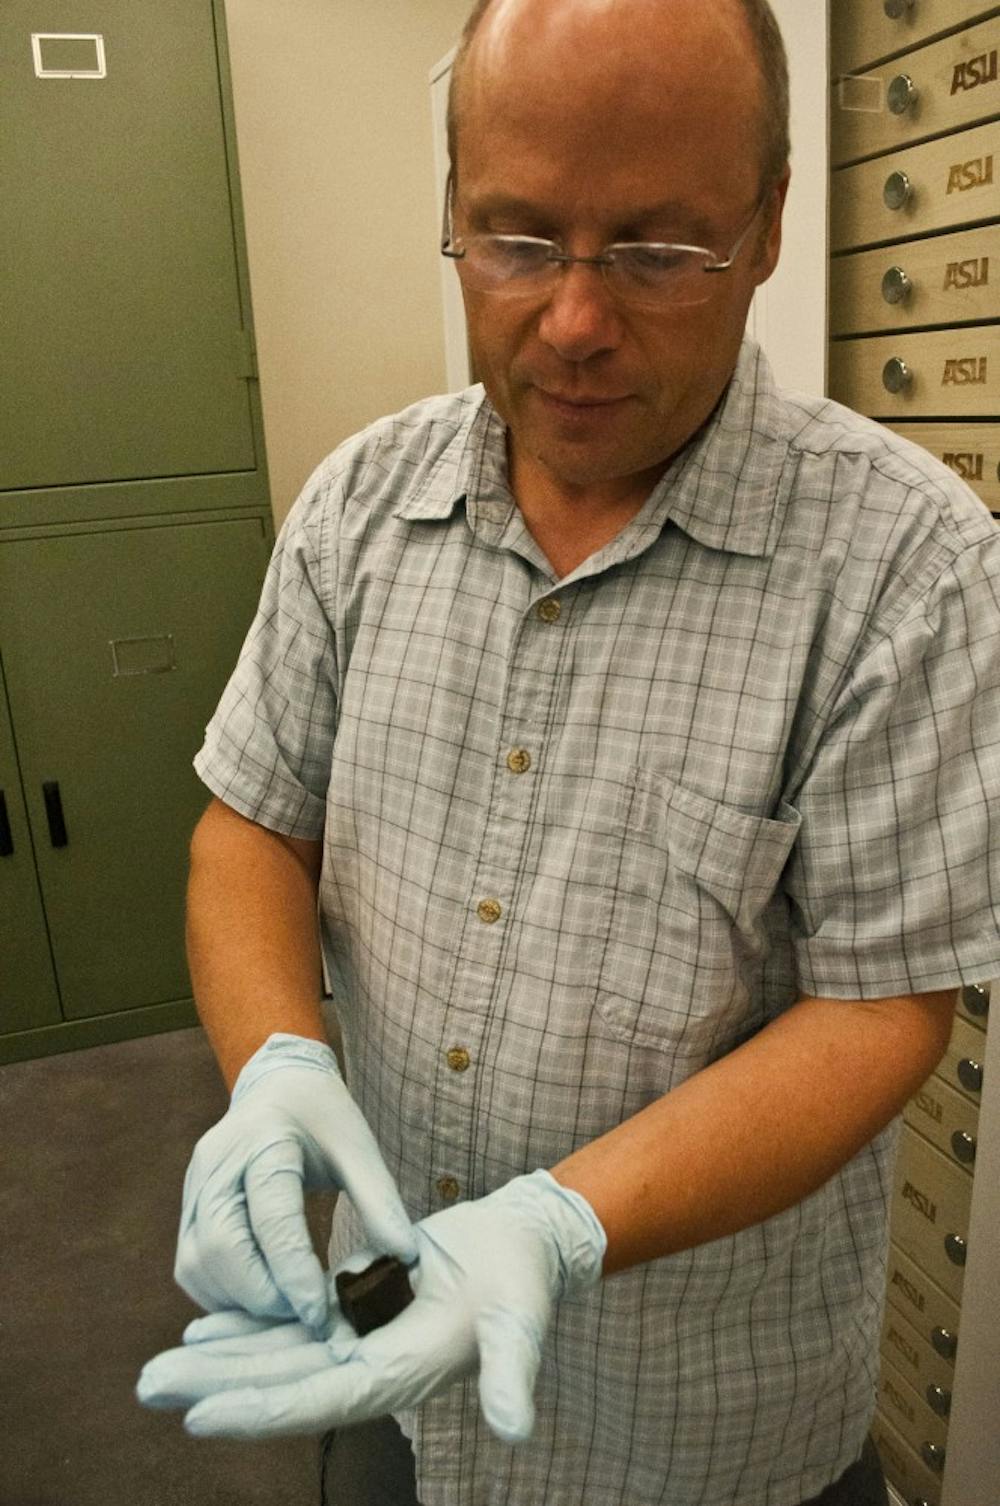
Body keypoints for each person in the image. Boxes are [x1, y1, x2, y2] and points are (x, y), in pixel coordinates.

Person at [137, 0, 1000, 1501]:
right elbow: (254, 826)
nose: (579, 321)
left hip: (699, 1441)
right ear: (453, 213)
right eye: (518, 240)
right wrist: (275, 1060)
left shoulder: (905, 570)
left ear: (772, 222)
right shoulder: (358, 509)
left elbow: (883, 1009)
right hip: (393, 1381)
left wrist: (558, 1221)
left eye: (662, 251)